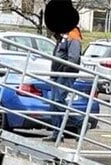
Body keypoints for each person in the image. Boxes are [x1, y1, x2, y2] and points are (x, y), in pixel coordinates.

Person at [44, 1, 82, 139]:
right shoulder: (63, 32)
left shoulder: (73, 33)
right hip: (57, 73)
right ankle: (57, 132)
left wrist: (63, 70)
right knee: (54, 103)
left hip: (65, 73)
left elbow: (73, 57)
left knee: (58, 101)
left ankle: (81, 122)